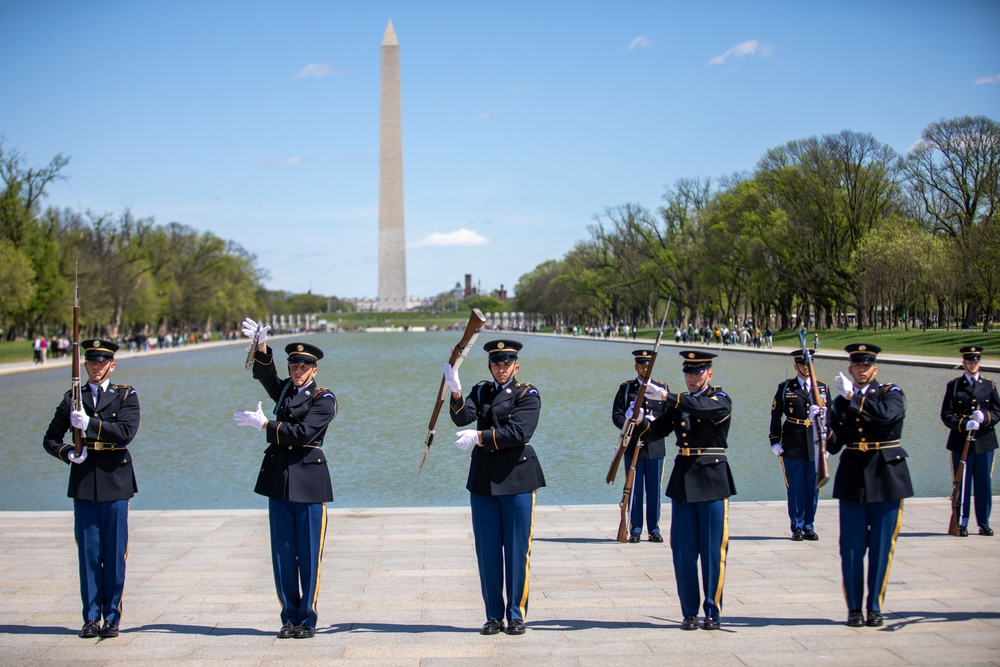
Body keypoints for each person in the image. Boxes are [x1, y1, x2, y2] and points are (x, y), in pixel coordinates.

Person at [234, 319, 337, 640]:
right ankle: (289, 616)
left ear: (314, 370)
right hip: (279, 479)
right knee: (282, 553)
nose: (297, 370)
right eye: (293, 365)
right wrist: (261, 346)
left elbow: (305, 432)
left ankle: (307, 617)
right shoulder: (284, 392)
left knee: (307, 555)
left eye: (303, 366)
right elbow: (265, 374)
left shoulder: (324, 398)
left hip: (308, 479)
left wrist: (266, 426)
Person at [444, 339, 544, 636]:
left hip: (517, 476)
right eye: (496, 364)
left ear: (516, 365)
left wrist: (479, 437)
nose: (501, 369)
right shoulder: (482, 390)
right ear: (490, 366)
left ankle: (515, 614)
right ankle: (493, 615)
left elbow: (519, 432)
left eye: (506, 363)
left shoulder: (528, 393)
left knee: (516, 550)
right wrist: (455, 390)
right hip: (484, 478)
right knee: (487, 551)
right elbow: (463, 416)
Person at [43, 339, 140, 639]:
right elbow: (50, 438)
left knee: (113, 555)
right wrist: (69, 453)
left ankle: (112, 616)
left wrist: (90, 423)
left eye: (101, 362)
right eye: (90, 362)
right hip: (85, 483)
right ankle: (90, 617)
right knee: (88, 554)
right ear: (84, 365)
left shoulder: (126, 396)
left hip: (115, 481)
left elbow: (126, 433)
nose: (95, 367)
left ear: (112, 364)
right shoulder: (74, 396)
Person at [639, 351, 735, 631]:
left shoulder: (720, 397)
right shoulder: (680, 402)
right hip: (684, 479)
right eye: (688, 373)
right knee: (683, 550)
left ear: (709, 374)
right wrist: (639, 421)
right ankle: (690, 611)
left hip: (713, 478)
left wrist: (669, 397)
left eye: (697, 373)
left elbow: (704, 409)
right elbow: (658, 431)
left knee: (712, 550)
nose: (692, 378)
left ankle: (713, 611)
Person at [827, 343, 913, 628]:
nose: (861, 370)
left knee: (880, 547)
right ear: (851, 369)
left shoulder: (891, 392)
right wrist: (820, 426)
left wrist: (853, 398)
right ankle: (854, 608)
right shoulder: (840, 402)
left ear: (874, 369)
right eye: (856, 366)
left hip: (887, 476)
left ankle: (874, 606)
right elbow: (835, 444)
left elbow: (887, 417)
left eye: (866, 366)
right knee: (850, 548)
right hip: (853, 477)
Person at [768, 349, 829, 541]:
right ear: (796, 366)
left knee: (812, 488)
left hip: (815, 442)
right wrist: (774, 442)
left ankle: (809, 526)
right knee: (794, 488)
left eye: (808, 364)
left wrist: (827, 444)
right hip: (792, 442)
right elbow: (776, 417)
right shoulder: (786, 388)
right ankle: (797, 526)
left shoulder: (822, 389)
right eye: (801, 364)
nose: (805, 367)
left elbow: (831, 420)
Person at [940, 345, 998, 536]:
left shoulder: (989, 385)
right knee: (961, 483)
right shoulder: (954, 385)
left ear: (979, 362)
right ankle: (961, 522)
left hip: (984, 442)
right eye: (969, 361)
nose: (972, 364)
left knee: (983, 485)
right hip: (960, 442)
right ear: (963, 362)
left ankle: (983, 522)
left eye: (976, 361)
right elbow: (946, 415)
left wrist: (985, 418)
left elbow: (998, 412)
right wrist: (964, 424)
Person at [611, 349, 668, 543]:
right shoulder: (626, 389)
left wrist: (654, 423)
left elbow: (669, 419)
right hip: (633, 445)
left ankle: (654, 529)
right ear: (636, 366)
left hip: (655, 446)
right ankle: (635, 528)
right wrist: (629, 420)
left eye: (648, 365)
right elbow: (616, 417)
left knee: (654, 490)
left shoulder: (661, 389)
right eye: (642, 365)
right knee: (633, 489)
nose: (645, 368)